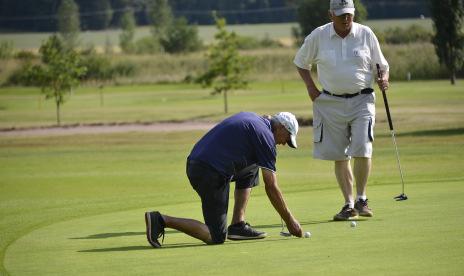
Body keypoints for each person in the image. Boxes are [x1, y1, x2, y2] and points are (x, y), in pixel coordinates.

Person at [145, 111, 303, 248]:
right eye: (287, 138)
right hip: (209, 172)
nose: (284, 143)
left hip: (198, 164)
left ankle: (237, 225)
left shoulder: (257, 121)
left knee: (254, 165)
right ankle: (161, 220)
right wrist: (289, 220)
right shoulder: (266, 138)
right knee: (216, 236)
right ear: (281, 127)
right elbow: (271, 187)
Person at [293, 0, 390, 221]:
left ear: (353, 13)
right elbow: (300, 62)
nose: (346, 19)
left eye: (349, 14)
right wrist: (311, 87)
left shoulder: (366, 34)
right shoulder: (318, 35)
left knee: (362, 148)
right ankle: (348, 204)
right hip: (330, 102)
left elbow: (382, 66)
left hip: (362, 100)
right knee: (339, 154)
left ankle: (362, 199)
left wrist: (383, 79)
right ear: (330, 15)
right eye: (340, 15)